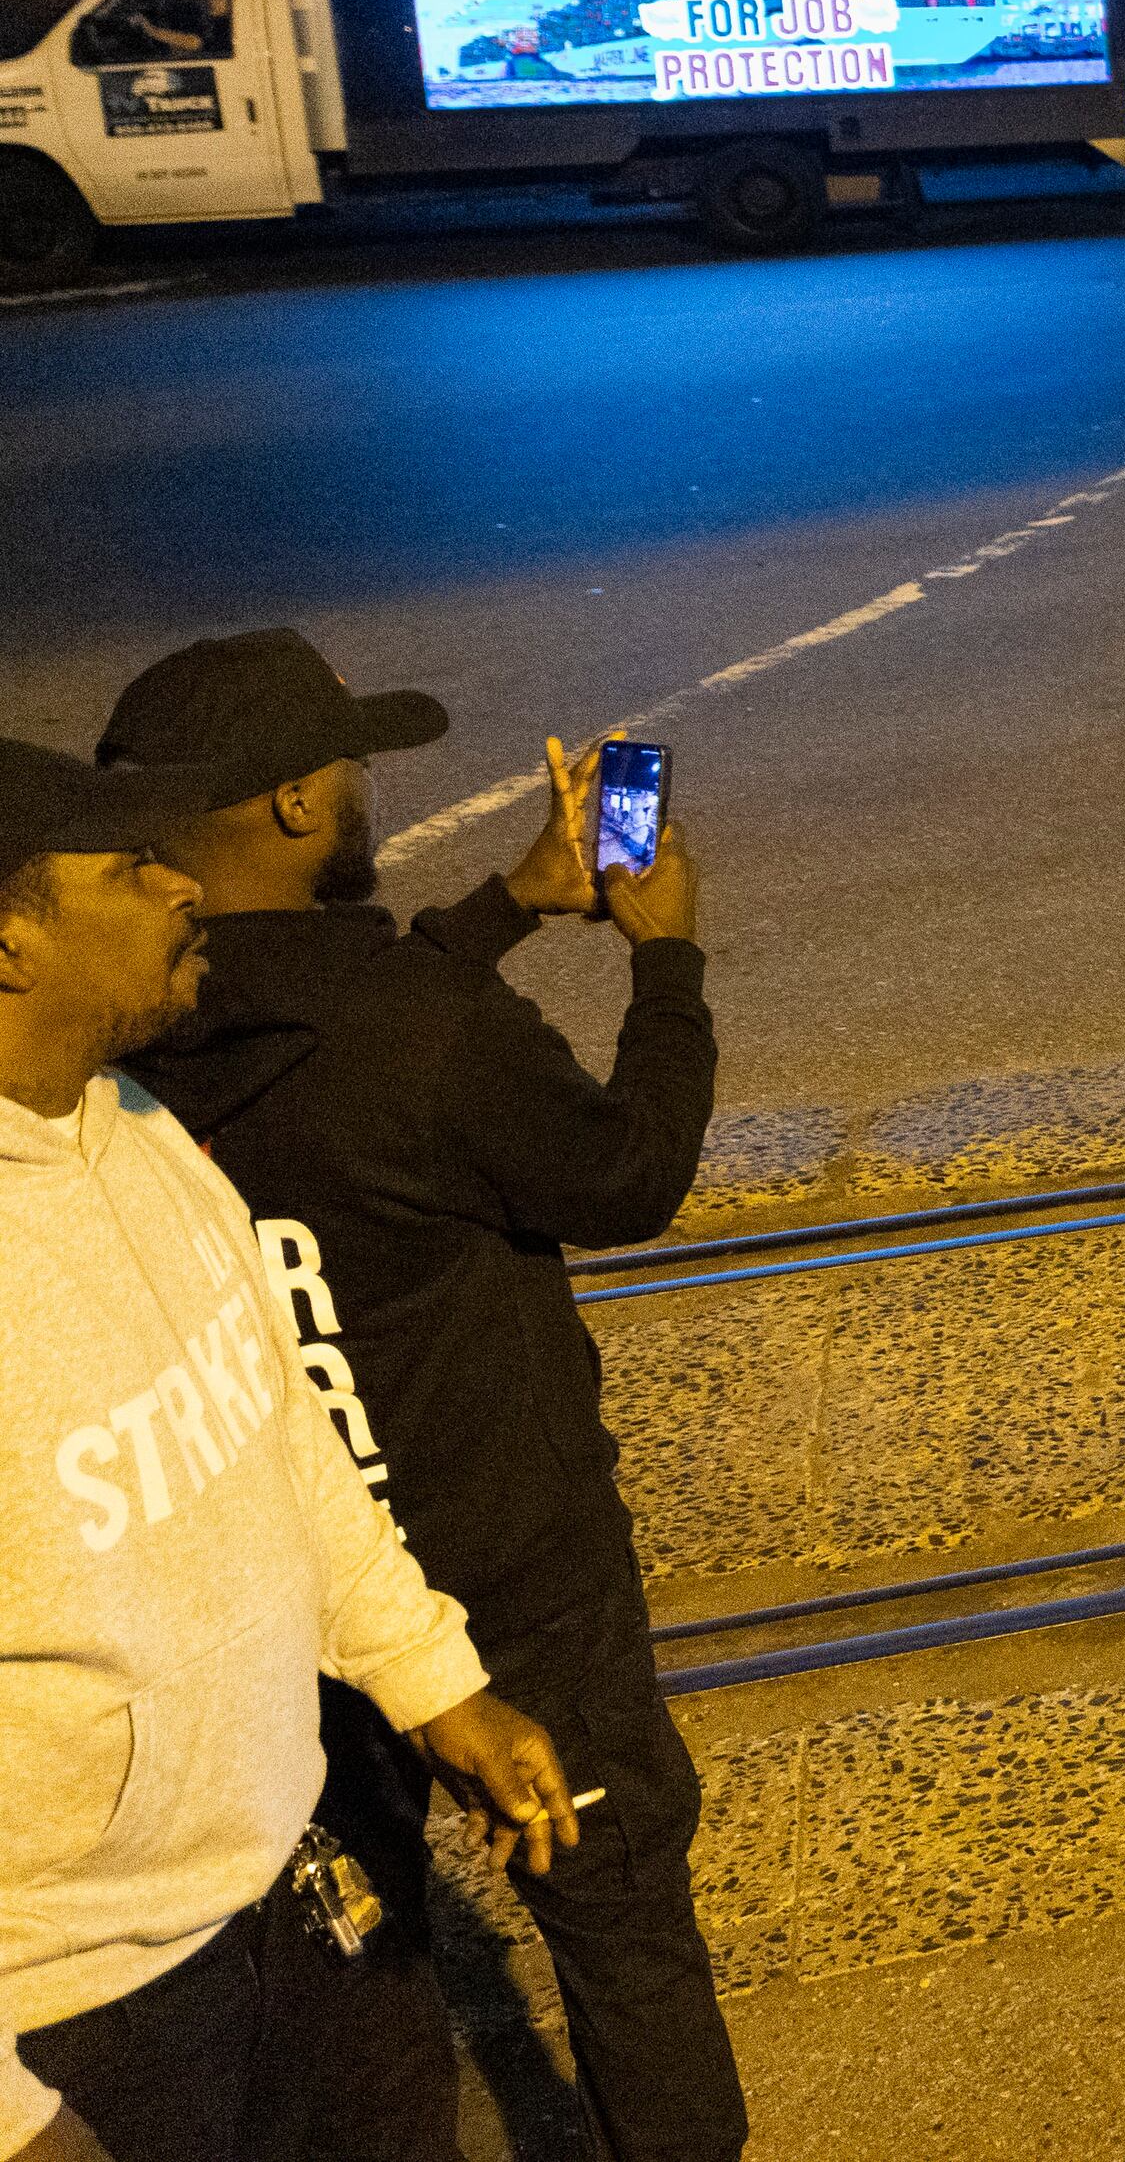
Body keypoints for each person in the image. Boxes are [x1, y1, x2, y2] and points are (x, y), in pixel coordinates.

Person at [96, 632, 738, 2162]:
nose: (371, 791)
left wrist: (508, 904)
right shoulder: (427, 1035)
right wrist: (667, 955)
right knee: (620, 1914)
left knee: (359, 1964)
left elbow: (344, 1024)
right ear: (304, 800)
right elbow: (627, 1169)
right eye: (357, 769)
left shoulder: (127, 1042)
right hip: (515, 1576)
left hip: (298, 1592)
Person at [3, 738, 579, 2162]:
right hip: (83, 2016)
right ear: (12, 939)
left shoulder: (138, 1127)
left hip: (301, 1899)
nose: (183, 882)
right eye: (129, 869)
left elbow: (283, 1436)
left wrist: (433, 1678)